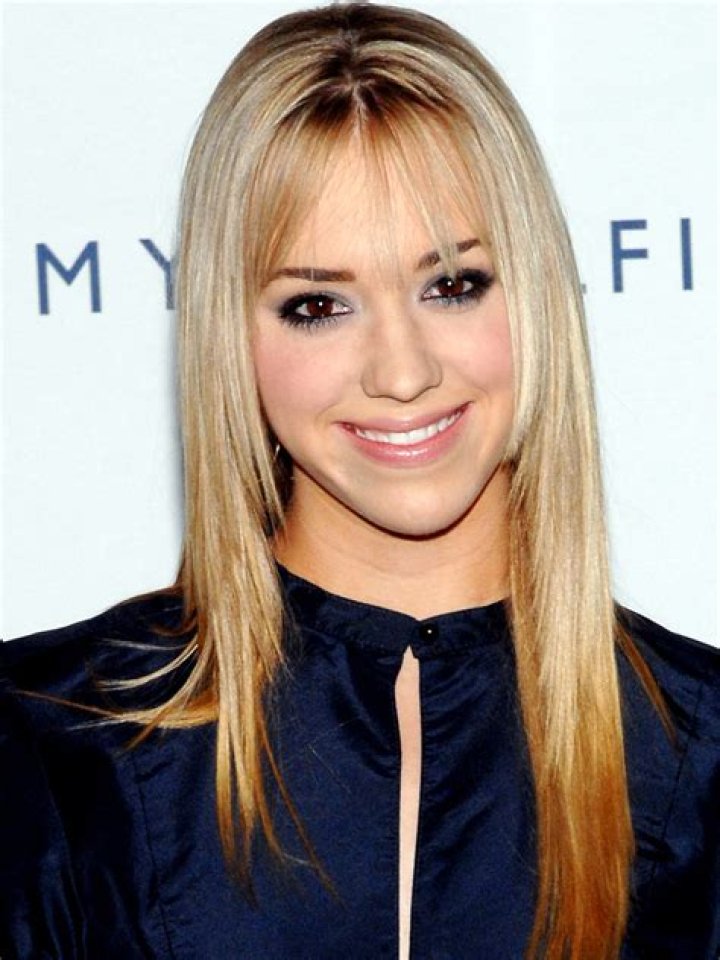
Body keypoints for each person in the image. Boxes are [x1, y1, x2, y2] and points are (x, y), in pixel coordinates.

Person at [0, 4, 717, 959]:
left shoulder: (702, 754)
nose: (402, 371)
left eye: (452, 284)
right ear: (231, 336)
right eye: (317, 304)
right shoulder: (49, 741)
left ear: (537, 295)